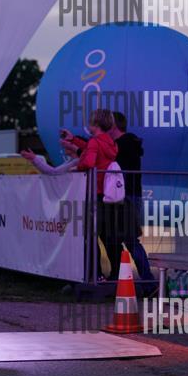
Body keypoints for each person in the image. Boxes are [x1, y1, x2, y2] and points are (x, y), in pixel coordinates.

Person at [61, 109, 119, 281]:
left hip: (94, 194)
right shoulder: (110, 143)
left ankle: (95, 274)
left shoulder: (95, 142)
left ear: (95, 124)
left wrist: (76, 168)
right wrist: (73, 139)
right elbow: (90, 149)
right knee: (108, 237)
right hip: (108, 195)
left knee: (90, 236)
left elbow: (88, 161)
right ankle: (117, 274)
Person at [108, 112, 155, 288]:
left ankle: (149, 282)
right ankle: (123, 278)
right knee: (117, 238)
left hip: (125, 197)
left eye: (107, 123)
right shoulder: (129, 143)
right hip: (126, 196)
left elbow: (106, 157)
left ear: (114, 125)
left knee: (129, 239)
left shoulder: (123, 144)